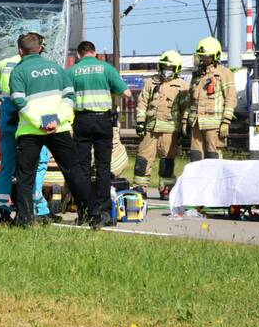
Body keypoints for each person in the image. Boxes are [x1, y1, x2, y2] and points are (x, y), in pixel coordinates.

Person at [9, 32, 96, 227]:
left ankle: (24, 220)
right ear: (40, 48)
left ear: (20, 51)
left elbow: (19, 101)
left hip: (30, 131)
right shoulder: (57, 68)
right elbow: (70, 97)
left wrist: (40, 122)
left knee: (25, 177)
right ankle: (93, 214)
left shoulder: (18, 72)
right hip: (59, 129)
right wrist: (56, 120)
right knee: (74, 172)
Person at [0, 44, 52, 223]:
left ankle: (2, 209)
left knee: (6, 166)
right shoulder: (42, 67)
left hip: (7, 115)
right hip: (29, 119)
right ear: (39, 49)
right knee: (36, 165)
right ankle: (39, 209)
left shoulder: (6, 64)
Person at [68, 41, 132, 225]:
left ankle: (85, 211)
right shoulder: (106, 68)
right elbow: (127, 93)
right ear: (94, 53)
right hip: (103, 121)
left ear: (79, 54)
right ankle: (104, 212)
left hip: (81, 121)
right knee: (103, 167)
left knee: (83, 168)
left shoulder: (73, 71)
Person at [134, 50, 189, 198]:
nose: (167, 71)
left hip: (170, 131)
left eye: (170, 68)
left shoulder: (182, 86)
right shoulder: (151, 83)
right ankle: (140, 187)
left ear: (176, 69)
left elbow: (186, 109)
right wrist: (140, 122)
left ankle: (166, 189)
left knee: (167, 162)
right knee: (143, 159)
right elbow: (142, 103)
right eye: (165, 67)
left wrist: (184, 128)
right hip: (150, 129)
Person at [186, 37, 236, 161]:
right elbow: (190, 99)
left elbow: (231, 97)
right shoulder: (197, 75)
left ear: (215, 56)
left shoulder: (224, 73)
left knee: (212, 157)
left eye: (206, 56)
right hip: (196, 123)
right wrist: (184, 120)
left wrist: (226, 122)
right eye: (201, 56)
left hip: (214, 125)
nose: (203, 59)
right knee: (196, 157)